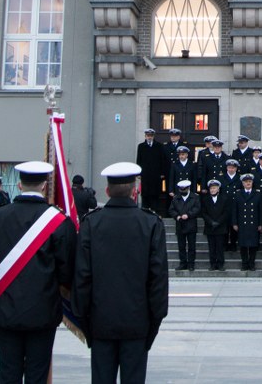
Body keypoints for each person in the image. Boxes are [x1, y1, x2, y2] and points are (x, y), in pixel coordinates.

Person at [0, 160, 77, 384]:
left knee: (8, 374)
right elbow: (67, 271)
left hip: (4, 310)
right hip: (43, 312)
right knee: (38, 375)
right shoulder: (60, 222)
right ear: (44, 186)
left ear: (19, 185)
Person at [73, 161, 168, 384]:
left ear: (107, 191)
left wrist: (85, 320)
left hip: (100, 321)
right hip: (137, 321)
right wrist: (154, 321)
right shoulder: (150, 223)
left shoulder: (92, 223)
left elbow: (82, 277)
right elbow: (158, 280)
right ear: (135, 191)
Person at [231, 174, 262, 271]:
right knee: (243, 245)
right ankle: (244, 264)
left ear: (252, 182)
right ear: (242, 183)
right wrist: (234, 223)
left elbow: (261, 210)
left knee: (253, 245)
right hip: (242, 223)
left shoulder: (257, 194)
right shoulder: (238, 194)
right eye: (246, 182)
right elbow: (235, 210)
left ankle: (252, 263)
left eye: (249, 181)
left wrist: (260, 224)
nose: (248, 183)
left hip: (254, 224)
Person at [168, 180, 200, 271]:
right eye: (181, 190)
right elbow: (171, 210)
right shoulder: (176, 198)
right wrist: (177, 216)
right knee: (181, 246)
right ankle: (183, 263)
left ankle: (191, 264)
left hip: (191, 224)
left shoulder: (195, 197)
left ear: (188, 188)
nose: (182, 191)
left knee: (191, 246)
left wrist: (189, 214)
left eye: (184, 189)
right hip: (180, 224)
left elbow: (197, 208)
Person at [200, 179, 231, 271]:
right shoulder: (205, 199)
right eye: (211, 188)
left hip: (220, 227)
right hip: (210, 227)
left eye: (214, 188)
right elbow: (203, 213)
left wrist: (218, 222)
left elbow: (226, 212)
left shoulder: (224, 198)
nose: (212, 190)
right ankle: (213, 264)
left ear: (218, 189)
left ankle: (220, 264)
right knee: (212, 247)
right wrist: (211, 222)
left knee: (220, 247)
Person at [135, 128, 167, 213]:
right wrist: (138, 173)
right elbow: (139, 160)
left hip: (156, 175)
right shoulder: (141, 146)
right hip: (145, 175)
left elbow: (162, 160)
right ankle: (145, 212)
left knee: (155, 195)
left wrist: (162, 172)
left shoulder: (159, 146)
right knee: (145, 195)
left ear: (153, 136)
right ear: (145, 136)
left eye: (151, 136)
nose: (149, 137)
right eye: (148, 136)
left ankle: (155, 212)